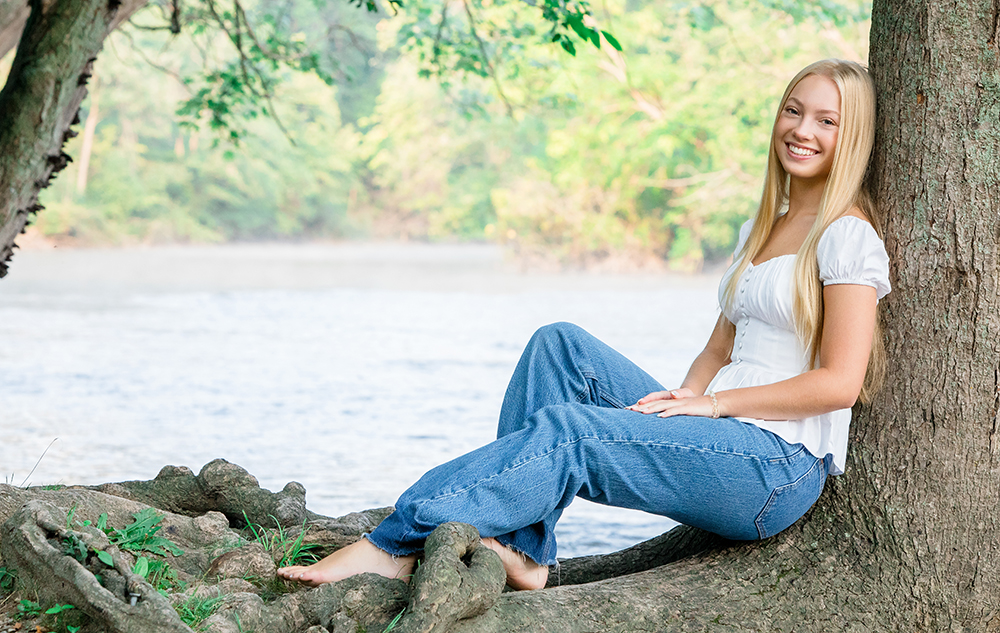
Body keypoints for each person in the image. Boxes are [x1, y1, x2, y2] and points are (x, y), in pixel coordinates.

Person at [277, 58, 890, 592]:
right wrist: (686, 399)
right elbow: (719, 346)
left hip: (775, 467)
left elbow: (840, 383)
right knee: (559, 346)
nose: (802, 130)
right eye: (793, 110)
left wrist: (714, 408)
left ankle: (391, 545)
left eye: (827, 121)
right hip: (724, 430)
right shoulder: (760, 230)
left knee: (572, 432)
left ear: (851, 136)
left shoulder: (847, 238)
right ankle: (522, 549)